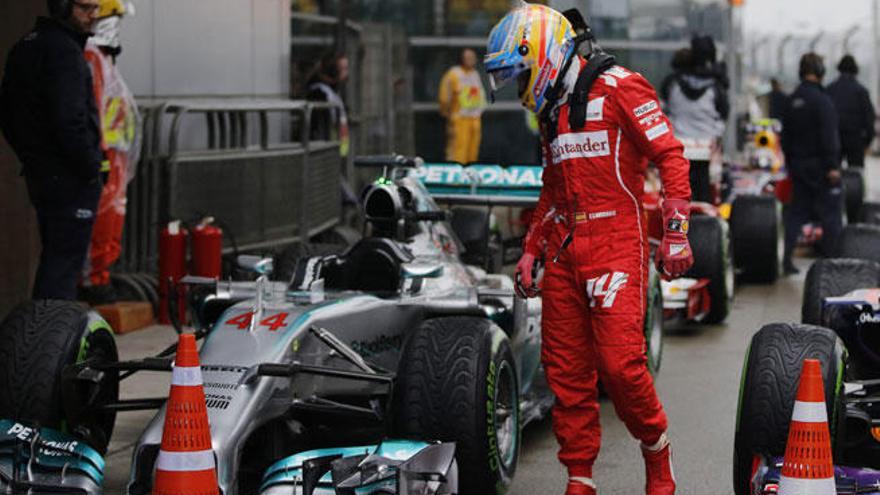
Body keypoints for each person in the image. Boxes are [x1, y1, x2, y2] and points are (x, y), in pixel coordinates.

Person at [485, 5, 692, 494]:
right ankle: (580, 478)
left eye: (520, 76)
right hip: (564, 248)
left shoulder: (622, 86)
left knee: (620, 367)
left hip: (616, 240)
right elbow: (553, 187)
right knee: (566, 374)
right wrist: (532, 248)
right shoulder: (552, 110)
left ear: (543, 55)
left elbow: (671, 155)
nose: (519, 92)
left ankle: (657, 455)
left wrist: (678, 229)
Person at [0, 0, 105, 301]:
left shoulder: (26, 46)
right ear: (63, 7)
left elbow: (7, 114)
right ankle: (50, 342)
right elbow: (69, 120)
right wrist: (89, 167)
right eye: (86, 8)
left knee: (56, 259)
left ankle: (42, 336)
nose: (92, 16)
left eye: (95, 9)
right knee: (62, 267)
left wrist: (31, 157)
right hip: (69, 176)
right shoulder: (64, 52)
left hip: (42, 173)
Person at [80, 0, 142, 304]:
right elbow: (94, 107)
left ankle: (100, 277)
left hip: (115, 155)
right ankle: (94, 281)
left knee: (111, 220)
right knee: (101, 222)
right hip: (105, 154)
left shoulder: (102, 57)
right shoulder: (92, 56)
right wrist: (102, 153)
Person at [782, 53, 842, 274]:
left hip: (798, 166)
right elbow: (829, 136)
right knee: (831, 213)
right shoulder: (822, 101)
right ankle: (831, 262)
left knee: (795, 213)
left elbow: (784, 137)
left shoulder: (791, 100)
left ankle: (785, 259)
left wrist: (791, 163)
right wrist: (832, 166)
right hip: (821, 166)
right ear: (819, 71)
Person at [664, 35, 729, 202]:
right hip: (708, 144)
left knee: (679, 186)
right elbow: (723, 113)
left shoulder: (672, 83)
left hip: (679, 143)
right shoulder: (716, 85)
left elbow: (664, 109)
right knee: (708, 187)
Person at [439, 48, 487, 163]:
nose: (471, 60)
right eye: (468, 57)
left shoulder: (474, 74)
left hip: (474, 119)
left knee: (472, 152)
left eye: (473, 57)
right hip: (459, 119)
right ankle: (456, 179)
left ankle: (469, 177)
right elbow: (444, 96)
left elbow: (480, 94)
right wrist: (448, 114)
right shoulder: (454, 74)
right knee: (457, 151)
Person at [827, 55, 875, 168]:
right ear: (855, 69)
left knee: (834, 172)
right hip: (855, 140)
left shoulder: (830, 89)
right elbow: (869, 118)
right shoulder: (862, 91)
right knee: (856, 173)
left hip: (834, 138)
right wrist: (867, 141)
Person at [307, 52, 351, 158]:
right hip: (325, 151)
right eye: (343, 68)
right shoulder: (319, 92)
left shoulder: (333, 92)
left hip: (337, 150)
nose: (346, 73)